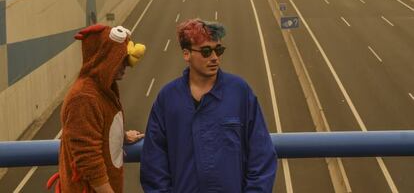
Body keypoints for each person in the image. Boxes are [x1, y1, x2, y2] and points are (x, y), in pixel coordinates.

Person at [140, 19, 277, 192]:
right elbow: (153, 165)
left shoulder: (240, 93)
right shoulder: (168, 99)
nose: (214, 58)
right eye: (206, 51)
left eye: (218, 50)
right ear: (186, 54)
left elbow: (261, 155)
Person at [47, 24, 146, 193]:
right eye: (121, 59)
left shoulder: (102, 89)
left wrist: (119, 136)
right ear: (106, 60)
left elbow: (97, 127)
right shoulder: (84, 97)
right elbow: (88, 158)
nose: (126, 65)